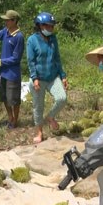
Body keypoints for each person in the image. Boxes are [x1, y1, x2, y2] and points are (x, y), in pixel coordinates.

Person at [26, 12, 68, 144]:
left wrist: (63, 76)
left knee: (62, 98)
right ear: (40, 26)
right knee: (38, 106)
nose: (50, 29)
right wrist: (35, 78)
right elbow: (31, 61)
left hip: (52, 76)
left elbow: (57, 58)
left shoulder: (53, 39)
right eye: (48, 26)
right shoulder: (32, 40)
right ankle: (39, 132)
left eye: (52, 26)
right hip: (38, 78)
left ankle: (50, 117)